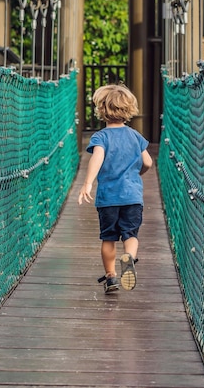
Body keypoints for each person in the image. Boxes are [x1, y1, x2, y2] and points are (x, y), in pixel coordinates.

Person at [78, 84, 153, 294]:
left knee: (108, 237)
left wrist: (88, 182)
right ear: (129, 110)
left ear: (102, 111)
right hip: (132, 197)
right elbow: (147, 162)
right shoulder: (135, 136)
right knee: (130, 234)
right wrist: (136, 175)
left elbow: (98, 157)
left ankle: (111, 278)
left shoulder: (101, 137)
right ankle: (128, 257)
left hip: (108, 198)